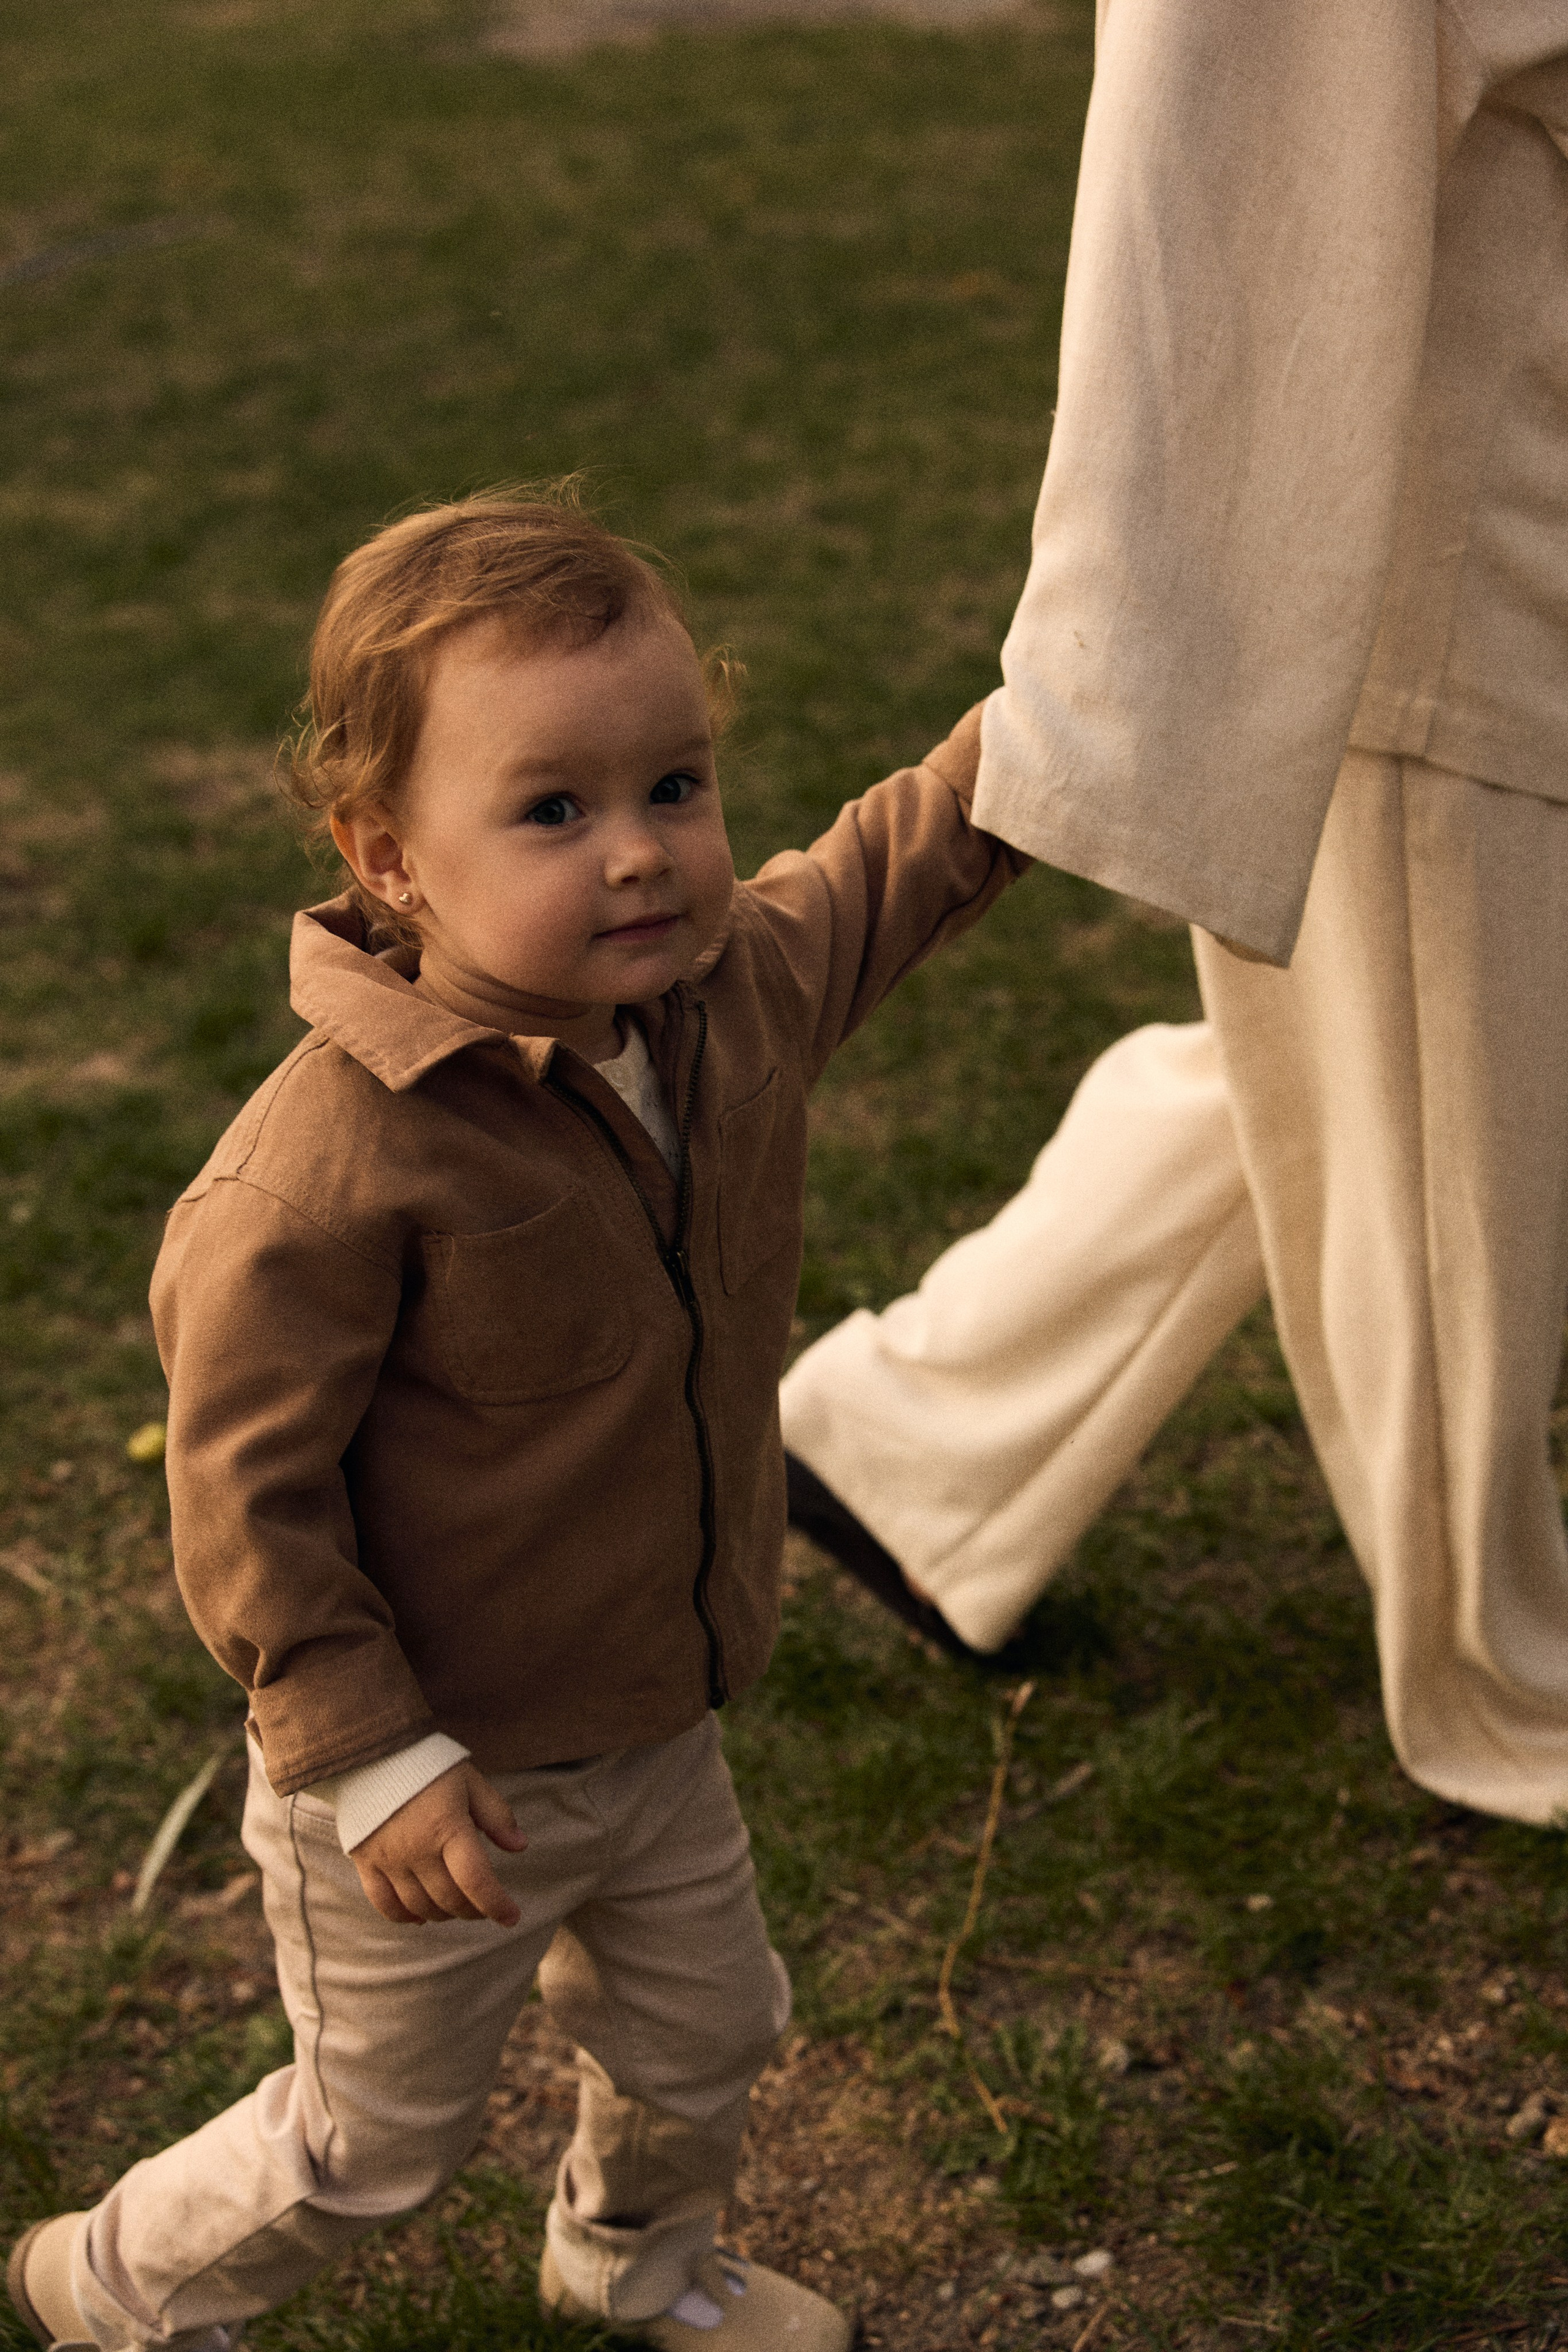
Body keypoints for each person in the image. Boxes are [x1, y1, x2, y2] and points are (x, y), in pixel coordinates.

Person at [6, 490, 1025, 2352]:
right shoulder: (329, 1167)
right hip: (430, 1782)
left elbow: (900, 857)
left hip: (652, 1722)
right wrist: (365, 1748)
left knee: (711, 2028)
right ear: (389, 859)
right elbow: (247, 1492)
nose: (642, 855)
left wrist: (1074, 703)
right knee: (370, 2141)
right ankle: (115, 2287)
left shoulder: (725, 1006)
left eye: (676, 786)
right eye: (554, 811)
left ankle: (631, 2260)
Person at [783, 0, 1568, 1826]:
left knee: (1402, 1068)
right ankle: (1506, 1692)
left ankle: (914, 1448)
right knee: (1447, 1135)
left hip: (1519, 470)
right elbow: (1226, 151)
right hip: (1435, 528)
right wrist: (1167, 656)